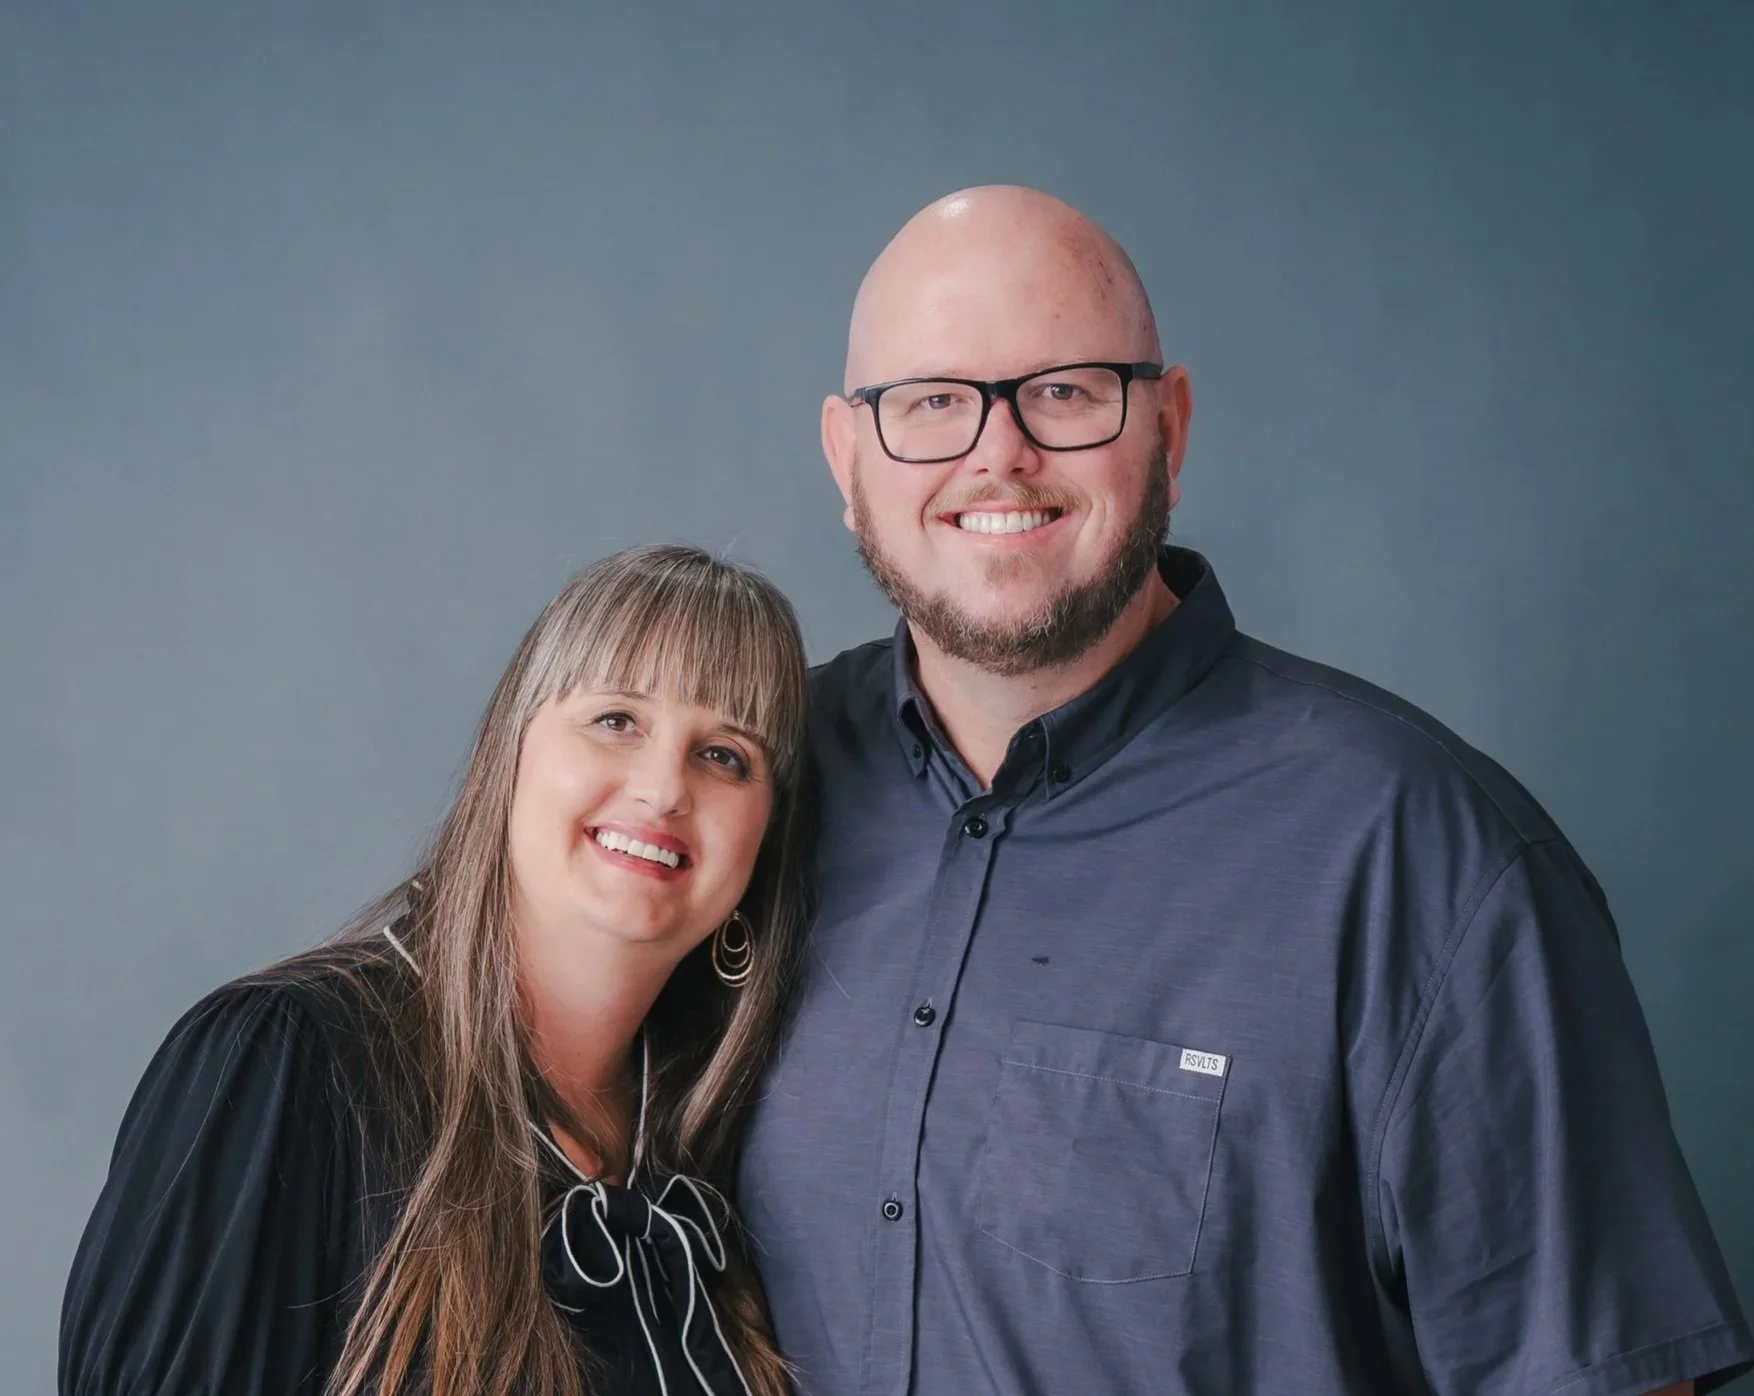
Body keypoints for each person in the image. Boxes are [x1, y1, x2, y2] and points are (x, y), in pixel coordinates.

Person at [736, 186, 1753, 1396]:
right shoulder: (740, 788)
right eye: (930, 401)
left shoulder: (1423, 857)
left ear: (1167, 427)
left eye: (1064, 390)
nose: (996, 452)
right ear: (845, 455)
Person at [61, 544, 813, 1396]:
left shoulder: (727, 1145)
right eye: (616, 719)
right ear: (509, 751)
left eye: (725, 756)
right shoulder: (287, 1062)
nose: (665, 789)